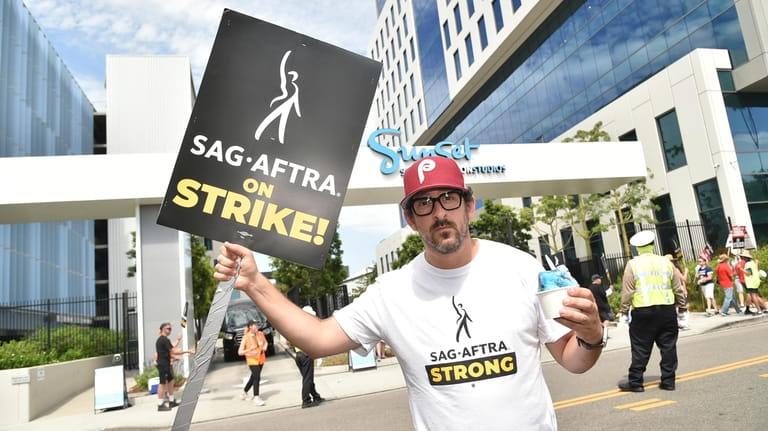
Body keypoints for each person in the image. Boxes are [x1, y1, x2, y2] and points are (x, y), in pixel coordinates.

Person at [214, 156, 604, 431]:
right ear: (411, 218)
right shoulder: (392, 291)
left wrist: (591, 337)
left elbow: (574, 360)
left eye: (449, 198)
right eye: (424, 203)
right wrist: (255, 282)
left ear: (469, 205)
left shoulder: (520, 268)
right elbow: (318, 339)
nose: (439, 213)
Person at [618, 231, 685, 392]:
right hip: (667, 310)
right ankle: (668, 381)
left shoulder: (633, 265)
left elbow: (628, 291)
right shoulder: (666, 263)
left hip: (643, 312)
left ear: (637, 248)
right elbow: (678, 287)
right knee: (668, 347)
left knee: (641, 348)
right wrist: (682, 306)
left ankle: (636, 382)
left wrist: (624, 310)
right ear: (653, 245)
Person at [155, 322, 193, 411]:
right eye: (168, 329)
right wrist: (187, 351)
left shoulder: (165, 340)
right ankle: (160, 404)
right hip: (163, 364)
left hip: (166, 363)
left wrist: (179, 339)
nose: (170, 330)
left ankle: (171, 401)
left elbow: (171, 348)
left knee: (171, 381)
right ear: (162, 330)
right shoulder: (163, 340)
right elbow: (173, 351)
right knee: (162, 383)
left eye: (170, 329)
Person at [293, 306, 325, 408]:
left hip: (298, 355)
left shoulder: (297, 325)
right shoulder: (307, 326)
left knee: (307, 378)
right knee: (308, 379)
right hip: (306, 355)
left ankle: (316, 396)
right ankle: (306, 400)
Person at [238, 319, 268, 406]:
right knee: (257, 376)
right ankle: (256, 396)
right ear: (250, 326)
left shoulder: (260, 334)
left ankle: (244, 392)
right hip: (252, 360)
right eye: (255, 325)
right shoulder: (246, 337)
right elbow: (240, 352)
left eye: (257, 325)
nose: (257, 327)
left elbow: (265, 342)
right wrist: (249, 350)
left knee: (253, 377)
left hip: (261, 359)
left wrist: (265, 347)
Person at [666, 254, 690, 330]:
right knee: (684, 305)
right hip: (679, 289)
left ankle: (678, 323)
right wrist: (686, 272)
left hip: (672, 290)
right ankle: (683, 323)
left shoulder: (666, 269)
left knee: (676, 306)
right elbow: (683, 279)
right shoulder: (675, 269)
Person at [741, 250, 768, 314]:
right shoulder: (753, 263)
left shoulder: (747, 264)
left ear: (745, 258)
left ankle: (759, 310)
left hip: (751, 283)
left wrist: (741, 269)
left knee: (753, 297)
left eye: (742, 257)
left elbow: (748, 273)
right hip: (755, 281)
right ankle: (766, 308)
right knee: (757, 296)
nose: (742, 258)